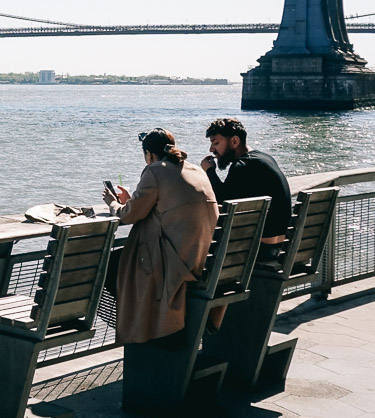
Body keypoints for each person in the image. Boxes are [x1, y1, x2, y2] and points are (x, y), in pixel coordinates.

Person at [102, 128, 219, 345]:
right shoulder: (196, 170)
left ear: (149, 154)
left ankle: (139, 326)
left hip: (174, 264)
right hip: (202, 259)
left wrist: (113, 203)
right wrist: (133, 200)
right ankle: (141, 322)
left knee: (108, 265)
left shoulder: (154, 170)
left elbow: (128, 216)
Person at [201, 118, 291, 268]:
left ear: (235, 141)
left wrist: (209, 171)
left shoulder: (242, 166)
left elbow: (222, 199)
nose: (211, 149)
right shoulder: (264, 159)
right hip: (280, 248)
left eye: (216, 143)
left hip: (260, 250)